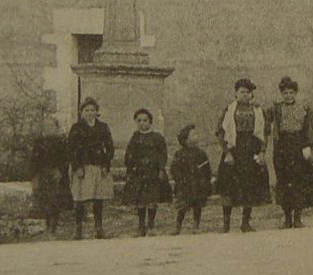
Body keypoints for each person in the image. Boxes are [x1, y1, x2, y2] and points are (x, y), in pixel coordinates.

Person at [215, 78, 270, 232]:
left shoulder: (258, 110)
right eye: (241, 92)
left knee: (249, 185)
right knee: (229, 186)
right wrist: (227, 152)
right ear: (235, 93)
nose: (245, 95)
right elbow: (221, 132)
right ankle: (226, 224)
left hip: (251, 148)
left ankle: (245, 222)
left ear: (251, 94)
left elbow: (264, 133)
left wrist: (262, 151)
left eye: (248, 92)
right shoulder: (228, 110)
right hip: (234, 148)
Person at [269, 76, 313, 229]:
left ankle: (298, 217)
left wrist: (312, 147)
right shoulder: (276, 109)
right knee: (284, 182)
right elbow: (263, 118)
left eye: (291, 92)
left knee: (299, 182)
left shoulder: (304, 108)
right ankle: (287, 218)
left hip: (299, 146)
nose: (288, 96)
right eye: (285, 93)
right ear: (281, 94)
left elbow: (311, 128)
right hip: (283, 147)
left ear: (295, 93)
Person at [67, 97, 115, 238]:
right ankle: (78, 228)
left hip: (98, 167)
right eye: (87, 110)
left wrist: (106, 165)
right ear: (82, 112)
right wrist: (77, 166)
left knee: (98, 199)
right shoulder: (76, 128)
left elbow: (110, 147)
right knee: (79, 199)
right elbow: (70, 149)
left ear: (97, 112)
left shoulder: (103, 127)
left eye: (92, 110)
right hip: (82, 168)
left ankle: (98, 228)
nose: (90, 113)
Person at [123, 108, 170, 237]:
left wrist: (161, 169)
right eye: (139, 121)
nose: (142, 123)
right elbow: (129, 154)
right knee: (140, 199)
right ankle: (141, 224)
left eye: (145, 120)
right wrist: (130, 168)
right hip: (139, 173)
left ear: (150, 122)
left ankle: (151, 223)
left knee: (152, 199)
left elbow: (162, 154)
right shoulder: (135, 137)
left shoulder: (157, 137)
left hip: (152, 172)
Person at [30, 116, 71, 235]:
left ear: (56, 128)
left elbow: (66, 160)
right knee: (44, 201)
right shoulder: (39, 143)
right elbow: (34, 161)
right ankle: (47, 224)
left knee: (55, 201)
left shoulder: (61, 142)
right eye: (46, 126)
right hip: (43, 175)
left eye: (51, 126)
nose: (49, 128)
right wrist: (34, 176)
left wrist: (60, 171)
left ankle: (53, 225)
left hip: (56, 175)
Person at [168, 124, 211, 234]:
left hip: (198, 184)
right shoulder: (180, 154)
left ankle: (196, 226)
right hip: (185, 185)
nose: (196, 136)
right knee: (182, 207)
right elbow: (174, 169)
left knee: (197, 206)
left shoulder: (201, 153)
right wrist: (180, 179)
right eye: (193, 134)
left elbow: (207, 169)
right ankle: (178, 226)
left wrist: (205, 181)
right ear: (186, 139)